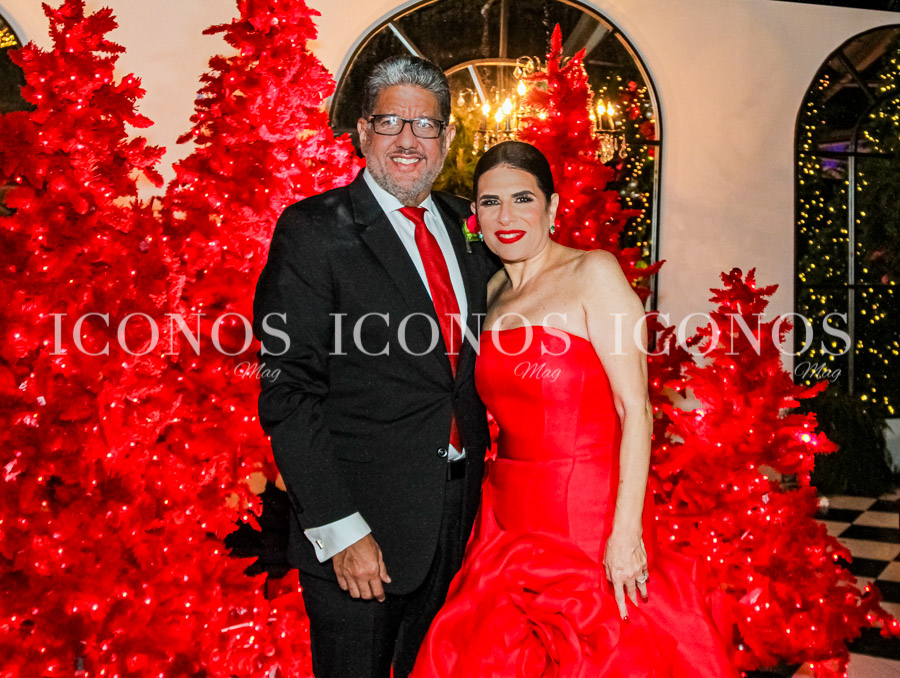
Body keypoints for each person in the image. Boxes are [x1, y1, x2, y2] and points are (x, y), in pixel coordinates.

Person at [411, 141, 738, 677]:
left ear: (553, 207)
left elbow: (636, 410)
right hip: (505, 516)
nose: (506, 216)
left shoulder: (594, 272)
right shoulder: (489, 292)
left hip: (587, 515)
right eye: (491, 202)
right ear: (476, 216)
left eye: (522, 198)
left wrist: (626, 533)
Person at [252, 56, 497, 678]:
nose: (408, 140)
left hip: (461, 524)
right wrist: (340, 529)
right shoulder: (312, 230)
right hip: (360, 530)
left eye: (426, 124)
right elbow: (288, 392)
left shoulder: (471, 226)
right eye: (391, 122)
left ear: (446, 137)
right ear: (363, 132)